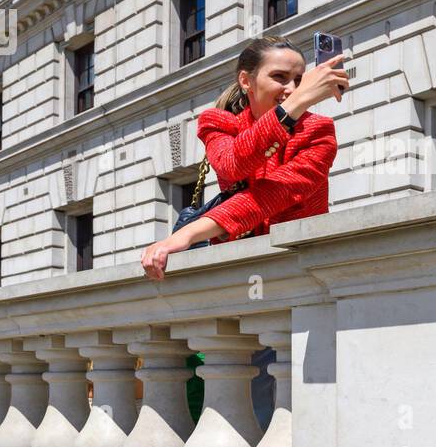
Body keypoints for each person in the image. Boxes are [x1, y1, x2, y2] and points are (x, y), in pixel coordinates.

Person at [141, 35, 347, 281]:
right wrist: (291, 108)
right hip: (238, 269)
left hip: (300, 266)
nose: (291, 89)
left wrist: (188, 233)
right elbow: (232, 165)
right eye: (279, 77)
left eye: (300, 81)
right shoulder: (218, 123)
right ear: (246, 81)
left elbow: (272, 195)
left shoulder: (318, 130)